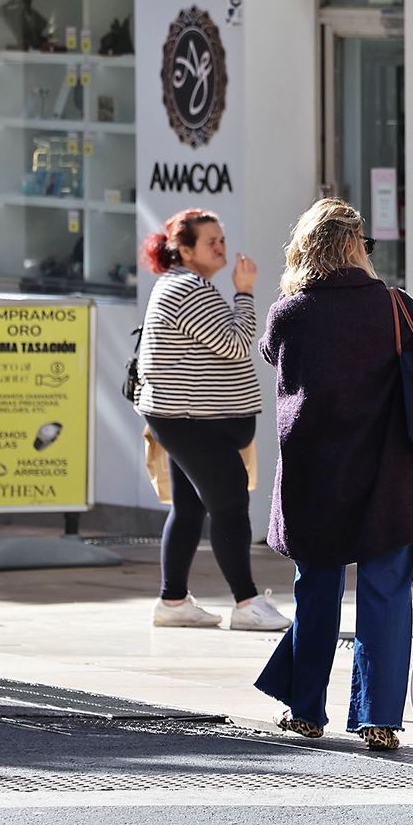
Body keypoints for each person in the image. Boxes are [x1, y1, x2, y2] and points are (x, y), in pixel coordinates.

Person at [253, 198, 413, 750]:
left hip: (313, 472)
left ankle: (305, 709)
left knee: (315, 591)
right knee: (386, 595)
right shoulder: (396, 306)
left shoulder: (290, 312)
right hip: (385, 472)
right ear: (355, 246)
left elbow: (273, 357)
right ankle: (379, 719)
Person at [137, 208, 288, 632]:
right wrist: (245, 292)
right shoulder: (189, 288)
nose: (221, 247)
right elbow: (239, 344)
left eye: (222, 239)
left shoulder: (186, 285)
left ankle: (173, 601)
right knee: (230, 505)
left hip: (186, 416)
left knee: (189, 508)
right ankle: (246, 602)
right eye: (211, 242)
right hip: (192, 420)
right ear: (184, 251)